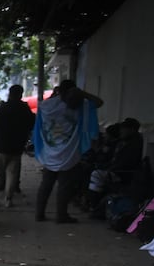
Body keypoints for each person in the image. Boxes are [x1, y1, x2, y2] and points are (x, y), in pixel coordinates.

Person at [33, 79, 104, 223]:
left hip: (50, 152)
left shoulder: (47, 105)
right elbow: (99, 102)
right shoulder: (81, 105)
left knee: (46, 184)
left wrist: (56, 94)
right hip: (70, 152)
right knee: (65, 186)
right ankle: (61, 215)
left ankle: (39, 214)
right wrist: (82, 94)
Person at [0, 85, 34, 207]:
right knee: (12, 174)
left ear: (10, 94)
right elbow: (31, 123)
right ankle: (8, 199)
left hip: (0, 146)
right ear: (21, 94)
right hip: (17, 148)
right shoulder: (25, 109)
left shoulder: (3, 108)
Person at [86, 117, 144, 214]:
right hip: (115, 170)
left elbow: (125, 163)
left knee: (96, 175)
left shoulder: (134, 144)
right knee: (92, 170)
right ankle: (92, 203)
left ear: (132, 130)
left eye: (124, 128)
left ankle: (94, 205)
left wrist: (109, 168)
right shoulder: (124, 142)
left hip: (123, 175)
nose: (121, 131)